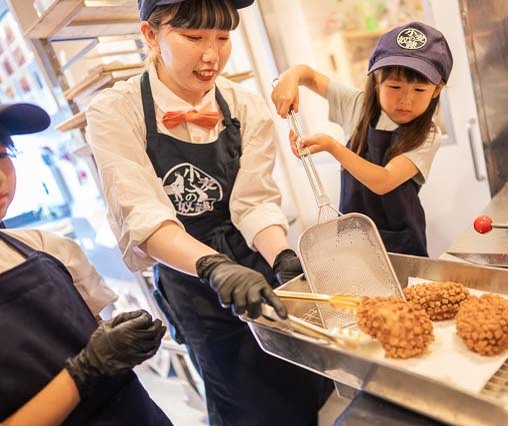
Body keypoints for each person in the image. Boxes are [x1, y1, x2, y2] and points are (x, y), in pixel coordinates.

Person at [85, 0, 332, 424]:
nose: (211, 55)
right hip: (189, 275)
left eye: (222, 37)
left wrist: (281, 256)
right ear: (151, 35)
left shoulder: (245, 107)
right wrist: (213, 266)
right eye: (193, 37)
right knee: (243, 397)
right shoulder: (116, 111)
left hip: (254, 261)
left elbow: (253, 202)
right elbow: (142, 212)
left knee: (305, 380)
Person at [0, 102, 169, 425]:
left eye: (2, 155)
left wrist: (122, 342)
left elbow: (95, 335)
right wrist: (86, 370)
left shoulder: (47, 249)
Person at [272, 22, 453, 257]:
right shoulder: (357, 105)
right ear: (376, 82)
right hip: (352, 236)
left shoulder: (428, 134)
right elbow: (309, 76)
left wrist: (332, 147)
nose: (406, 100)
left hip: (401, 242)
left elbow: (383, 181)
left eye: (419, 90)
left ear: (437, 90)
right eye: (395, 86)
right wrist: (290, 77)